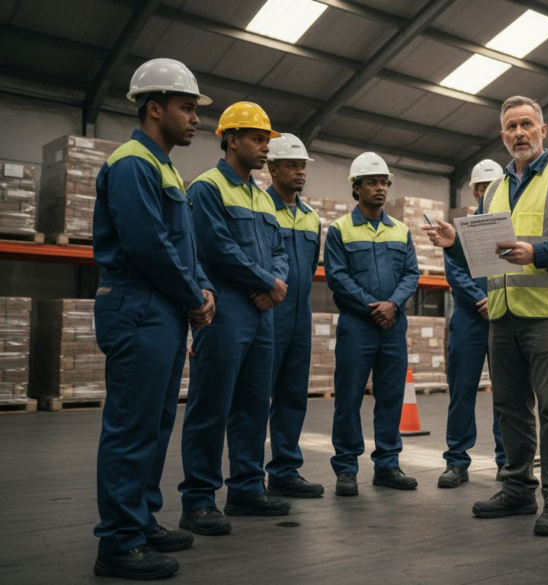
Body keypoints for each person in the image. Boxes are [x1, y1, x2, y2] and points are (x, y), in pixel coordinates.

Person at [422, 96, 548, 536]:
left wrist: (536, 252)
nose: (519, 133)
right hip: (502, 315)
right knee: (510, 410)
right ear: (502, 136)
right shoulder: (498, 188)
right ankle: (518, 488)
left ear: (543, 131)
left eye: (526, 124)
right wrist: (454, 245)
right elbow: (487, 255)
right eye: (511, 127)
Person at [92, 58, 215, 580]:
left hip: (162, 311)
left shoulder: (164, 167)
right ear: (154, 107)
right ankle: (118, 543)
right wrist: (194, 294)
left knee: (156, 425)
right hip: (138, 307)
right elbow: (147, 245)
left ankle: (141, 521)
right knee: (131, 428)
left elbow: (180, 246)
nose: (195, 119)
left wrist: (199, 287)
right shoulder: (131, 163)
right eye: (186, 108)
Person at [178, 102, 291, 535]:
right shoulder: (206, 188)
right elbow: (215, 247)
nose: (265, 148)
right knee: (211, 406)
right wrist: (268, 283)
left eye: (266, 140)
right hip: (224, 312)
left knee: (251, 407)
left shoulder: (262, 198)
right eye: (258, 139)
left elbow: (278, 249)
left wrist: (275, 283)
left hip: (262, 314)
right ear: (230, 139)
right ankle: (199, 500)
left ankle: (245, 487)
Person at [325, 152, 420, 497]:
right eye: (372, 182)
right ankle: (347, 468)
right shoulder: (339, 229)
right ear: (356, 188)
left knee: (391, 395)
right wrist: (373, 307)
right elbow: (337, 277)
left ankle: (388, 465)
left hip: (393, 325)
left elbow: (412, 274)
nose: (380, 188)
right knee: (348, 397)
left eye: (383, 183)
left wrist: (392, 305)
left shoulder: (401, 230)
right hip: (357, 325)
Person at [437, 159, 507, 489]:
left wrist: (498, 300)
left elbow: (516, 269)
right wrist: (482, 301)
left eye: (495, 187)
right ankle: (456, 461)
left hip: (505, 315)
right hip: (470, 316)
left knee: (507, 393)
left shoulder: (510, 228)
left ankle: (508, 461)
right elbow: (455, 272)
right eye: (484, 188)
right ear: (475, 191)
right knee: (462, 389)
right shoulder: (462, 229)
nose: (489, 193)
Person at [264, 133, 324, 498]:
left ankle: (284, 471)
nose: (300, 172)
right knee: (256, 398)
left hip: (300, 317)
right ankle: (248, 476)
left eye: (302, 166)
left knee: (293, 396)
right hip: (269, 314)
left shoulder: (311, 217)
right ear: (272, 168)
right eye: (292, 165)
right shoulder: (261, 207)